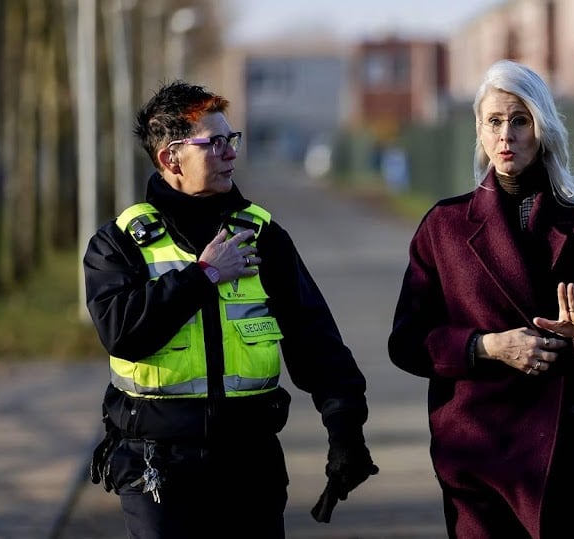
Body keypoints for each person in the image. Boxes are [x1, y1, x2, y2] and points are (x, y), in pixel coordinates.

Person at [84, 80, 378, 538]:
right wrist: (203, 276)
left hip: (250, 464)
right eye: (214, 142)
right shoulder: (119, 243)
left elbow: (315, 340)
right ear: (171, 158)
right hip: (156, 468)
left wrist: (346, 430)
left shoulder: (263, 237)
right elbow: (121, 332)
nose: (230, 153)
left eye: (231, 139)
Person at [388, 60, 574, 538]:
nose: (506, 135)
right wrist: (487, 347)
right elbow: (407, 341)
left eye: (519, 120)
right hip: (476, 453)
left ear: (543, 127)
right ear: (479, 130)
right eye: (494, 121)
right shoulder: (444, 227)